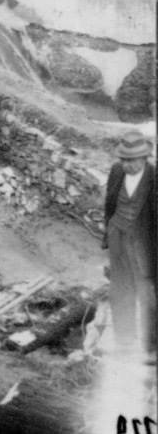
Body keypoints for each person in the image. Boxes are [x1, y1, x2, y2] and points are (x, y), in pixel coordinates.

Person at [102, 129, 156, 354]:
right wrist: (108, 235)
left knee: (148, 293)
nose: (127, 165)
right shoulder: (116, 171)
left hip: (144, 244)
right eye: (123, 159)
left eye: (131, 160)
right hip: (118, 236)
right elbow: (109, 204)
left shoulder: (154, 178)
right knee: (120, 290)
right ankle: (124, 341)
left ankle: (152, 346)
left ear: (144, 158)